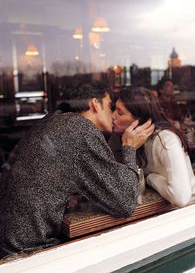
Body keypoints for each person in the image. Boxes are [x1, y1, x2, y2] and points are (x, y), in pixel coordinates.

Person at [0, 83, 154, 258]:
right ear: (95, 103)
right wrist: (129, 147)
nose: (113, 115)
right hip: (29, 253)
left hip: (9, 244)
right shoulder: (81, 130)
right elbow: (125, 203)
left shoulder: (52, 121)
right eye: (111, 107)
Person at [110, 87, 195, 208]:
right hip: (157, 210)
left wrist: (151, 178)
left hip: (188, 213)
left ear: (138, 120)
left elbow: (181, 198)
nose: (112, 116)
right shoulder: (120, 139)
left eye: (120, 112)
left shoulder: (166, 140)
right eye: (114, 110)